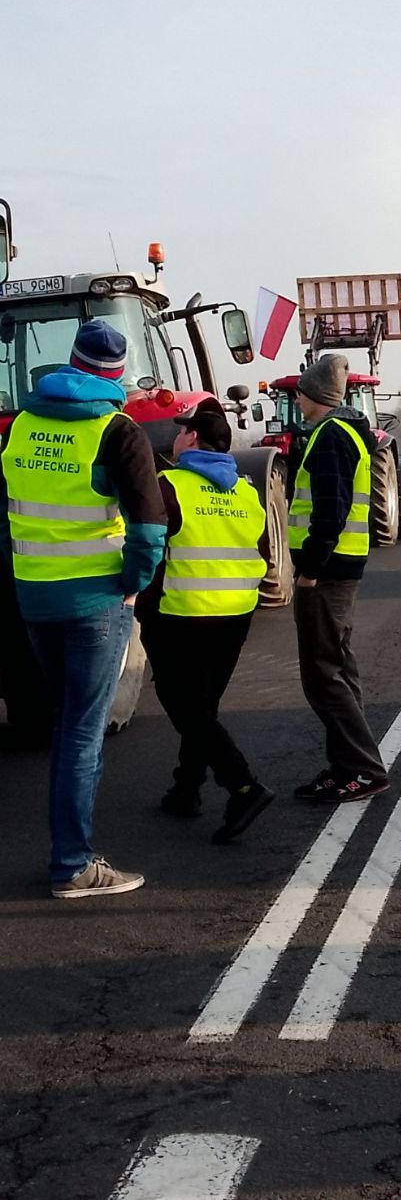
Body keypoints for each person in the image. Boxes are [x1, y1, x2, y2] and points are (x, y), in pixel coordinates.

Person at [0, 320, 167, 898]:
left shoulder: (21, 424)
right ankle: (72, 863)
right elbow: (149, 525)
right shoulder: (117, 430)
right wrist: (133, 585)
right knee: (81, 732)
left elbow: (5, 514)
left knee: (66, 721)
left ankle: (73, 852)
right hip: (97, 601)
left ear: (69, 362)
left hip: (35, 597)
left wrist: (21, 574)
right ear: (117, 375)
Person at [137, 400, 274, 843]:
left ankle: (243, 786)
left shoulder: (171, 485)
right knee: (203, 706)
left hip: (181, 613)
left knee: (186, 706)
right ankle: (186, 789)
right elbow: (263, 553)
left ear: (192, 438)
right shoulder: (246, 490)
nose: (175, 438)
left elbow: (149, 546)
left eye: (181, 432)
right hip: (235, 614)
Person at [288, 354, 388, 803]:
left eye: (300, 391)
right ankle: (345, 766)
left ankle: (364, 770)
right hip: (341, 567)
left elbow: (330, 511)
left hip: (327, 573)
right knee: (339, 669)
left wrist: (309, 569)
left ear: (313, 395)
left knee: (322, 675)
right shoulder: (346, 431)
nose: (296, 398)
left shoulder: (330, 437)